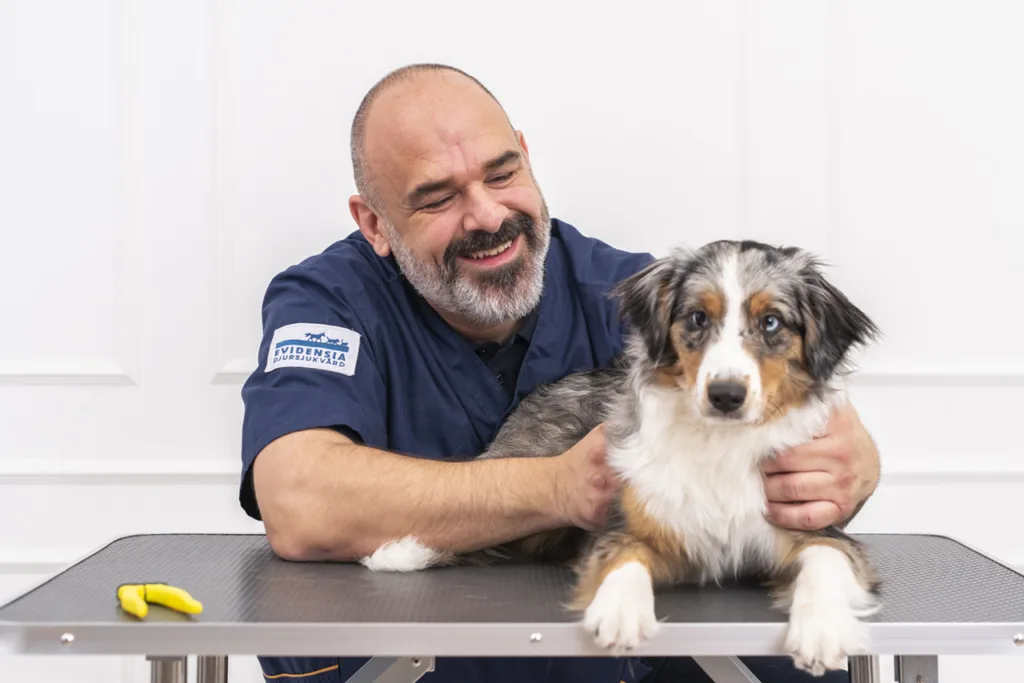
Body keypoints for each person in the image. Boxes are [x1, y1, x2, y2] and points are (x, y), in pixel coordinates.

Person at [238, 63, 881, 683]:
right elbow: (299, 503)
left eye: (502, 172)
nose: (488, 216)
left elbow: (786, 392)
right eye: (438, 198)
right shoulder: (328, 302)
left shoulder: (629, 291)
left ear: (526, 153)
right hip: (404, 663)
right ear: (375, 223)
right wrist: (554, 487)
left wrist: (853, 462)